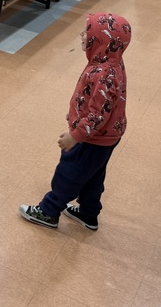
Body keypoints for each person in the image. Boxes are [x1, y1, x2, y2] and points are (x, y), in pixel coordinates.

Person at [19, 13, 130, 231]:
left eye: (87, 32)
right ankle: (89, 214)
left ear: (102, 40)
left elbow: (98, 115)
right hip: (108, 135)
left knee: (68, 174)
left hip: (92, 137)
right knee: (93, 176)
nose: (82, 35)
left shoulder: (102, 73)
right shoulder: (110, 60)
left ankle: (48, 212)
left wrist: (75, 136)